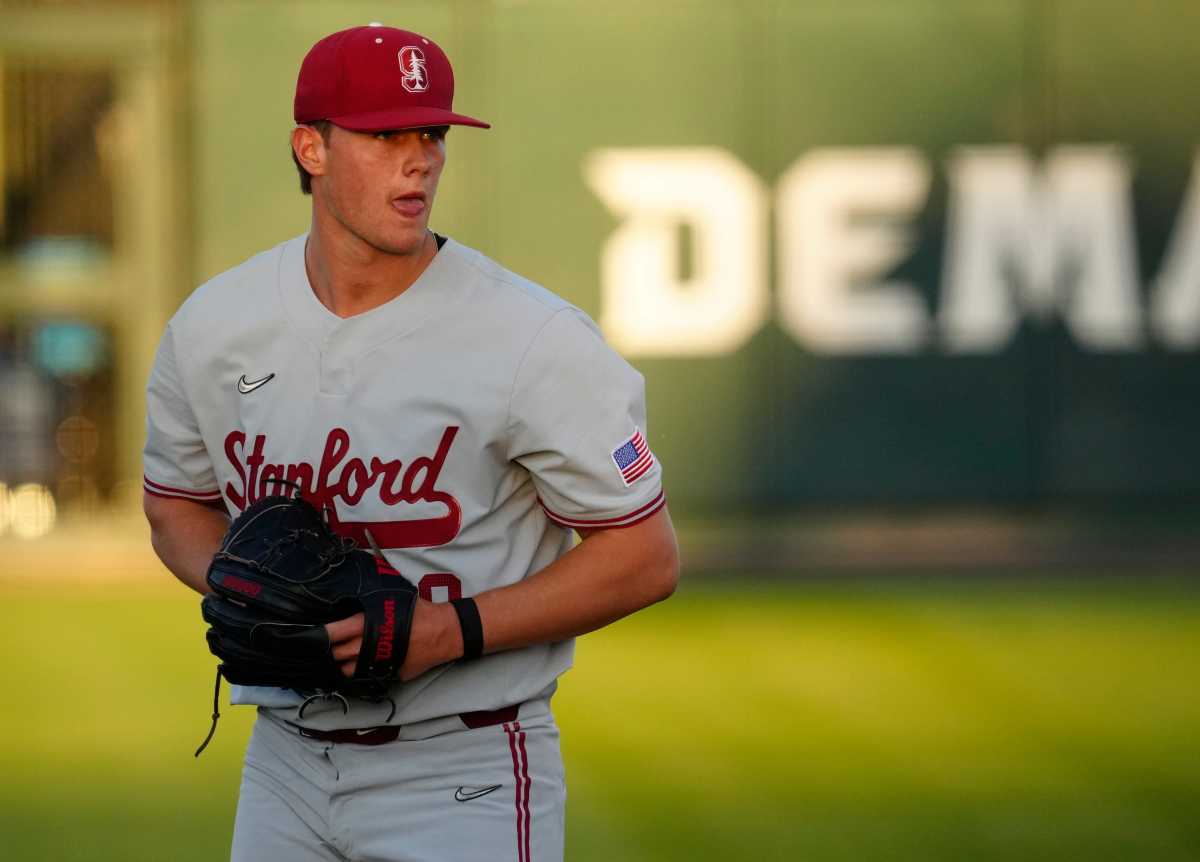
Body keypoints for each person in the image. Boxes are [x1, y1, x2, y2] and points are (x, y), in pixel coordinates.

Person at [141, 22, 678, 862]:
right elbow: (174, 503)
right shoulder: (215, 327)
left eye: (430, 132)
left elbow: (645, 555)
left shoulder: (532, 339)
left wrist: (448, 630)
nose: (419, 157)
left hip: (462, 770)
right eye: (385, 133)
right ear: (309, 148)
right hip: (282, 761)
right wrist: (246, 590)